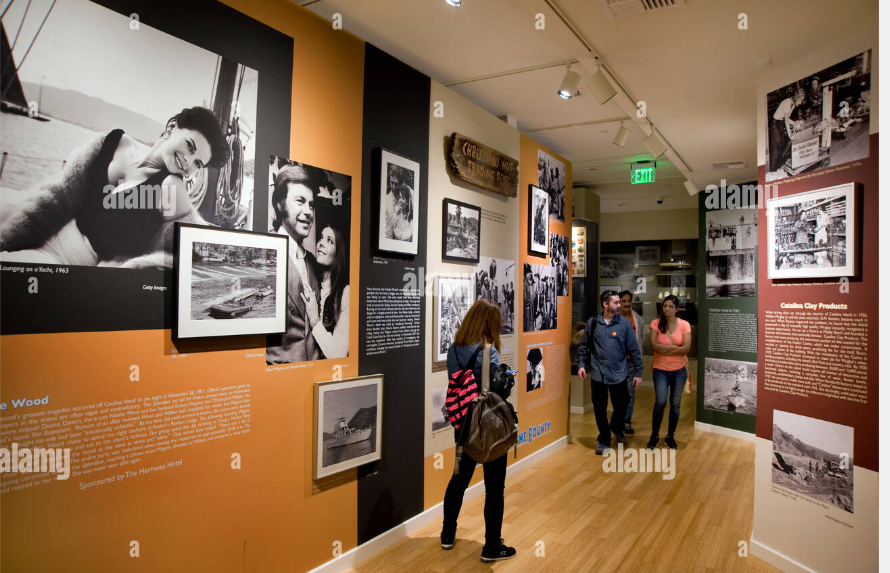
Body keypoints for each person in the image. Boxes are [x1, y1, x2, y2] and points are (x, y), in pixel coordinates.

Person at [1, 107, 228, 267]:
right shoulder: (111, 142)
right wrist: (7, 240)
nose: (189, 161)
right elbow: (58, 196)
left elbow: (190, 248)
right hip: (45, 236)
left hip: (69, 266)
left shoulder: (172, 188)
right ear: (172, 127)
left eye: (198, 163)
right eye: (190, 146)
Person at [441, 299, 516, 562]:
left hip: (462, 426)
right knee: (494, 489)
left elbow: (459, 386)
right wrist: (508, 377)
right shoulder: (488, 351)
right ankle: (492, 548)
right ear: (488, 323)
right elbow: (496, 391)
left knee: (458, 481)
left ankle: (447, 536)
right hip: (487, 428)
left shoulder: (453, 349)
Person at [266, 164, 322, 365]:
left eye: (312, 205)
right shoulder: (265, 256)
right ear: (280, 204)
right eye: (300, 201)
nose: (308, 212)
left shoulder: (314, 264)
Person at [577, 291, 643, 455]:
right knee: (599, 408)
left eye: (619, 302)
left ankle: (616, 427)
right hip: (598, 373)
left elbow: (634, 350)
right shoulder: (593, 323)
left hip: (619, 373)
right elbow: (584, 346)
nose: (619, 305)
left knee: (622, 405)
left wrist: (638, 372)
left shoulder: (625, 324)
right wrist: (581, 365)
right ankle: (604, 440)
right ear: (605, 304)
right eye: (616, 303)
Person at [648, 294, 691, 450]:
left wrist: (664, 348)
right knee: (660, 402)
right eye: (665, 306)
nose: (667, 309)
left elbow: (686, 349)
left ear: (677, 308)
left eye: (671, 306)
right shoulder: (655, 323)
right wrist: (676, 349)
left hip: (679, 370)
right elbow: (653, 345)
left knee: (676, 404)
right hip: (660, 369)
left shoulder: (684, 325)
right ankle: (654, 435)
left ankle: (670, 436)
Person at [305, 224, 349, 359]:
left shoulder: (346, 293)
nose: (321, 243)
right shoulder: (313, 285)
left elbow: (339, 354)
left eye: (329, 241)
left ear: (338, 253)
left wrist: (314, 320)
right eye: (321, 238)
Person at [618, 291, 644, 435]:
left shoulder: (638, 319)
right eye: (623, 301)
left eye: (629, 300)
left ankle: (626, 422)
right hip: (617, 363)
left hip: (632, 363)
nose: (627, 304)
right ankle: (618, 420)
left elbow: (641, 340)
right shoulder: (613, 318)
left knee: (630, 393)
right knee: (618, 393)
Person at [769, 88, 805, 174]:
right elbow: (786, 121)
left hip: (780, 123)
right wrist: (790, 135)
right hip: (775, 125)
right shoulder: (788, 102)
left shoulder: (792, 104)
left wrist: (795, 123)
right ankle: (772, 173)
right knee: (776, 150)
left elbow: (787, 119)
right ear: (796, 97)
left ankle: (779, 171)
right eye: (800, 100)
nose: (800, 103)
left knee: (783, 149)